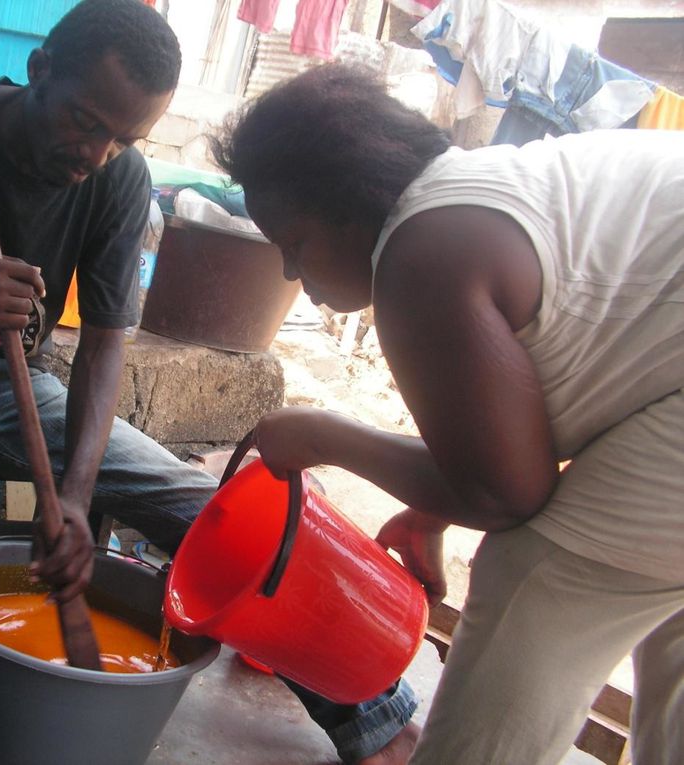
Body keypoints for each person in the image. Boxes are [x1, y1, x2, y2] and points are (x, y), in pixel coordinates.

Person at [0, 2, 419, 763]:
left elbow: (101, 348)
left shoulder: (120, 178)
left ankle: (376, 720)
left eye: (125, 136)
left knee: (215, 509)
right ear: (40, 69)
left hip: (28, 383)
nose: (96, 152)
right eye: (85, 123)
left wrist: (73, 496)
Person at [211, 62, 684, 765]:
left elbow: (507, 492)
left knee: (542, 578)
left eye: (295, 241)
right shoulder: (472, 195)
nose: (288, 270)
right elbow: (581, 378)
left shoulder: (423, 252)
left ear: (350, 202)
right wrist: (438, 503)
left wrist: (322, 435)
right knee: (665, 605)